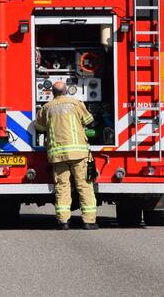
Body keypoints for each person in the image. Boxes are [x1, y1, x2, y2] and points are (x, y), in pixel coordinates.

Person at [33, 81, 97, 230]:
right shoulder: (76, 104)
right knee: (84, 186)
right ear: (66, 91)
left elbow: (39, 127)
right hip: (78, 154)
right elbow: (89, 121)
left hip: (58, 155)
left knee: (62, 187)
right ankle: (89, 222)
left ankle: (63, 222)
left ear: (52, 93)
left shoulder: (46, 108)